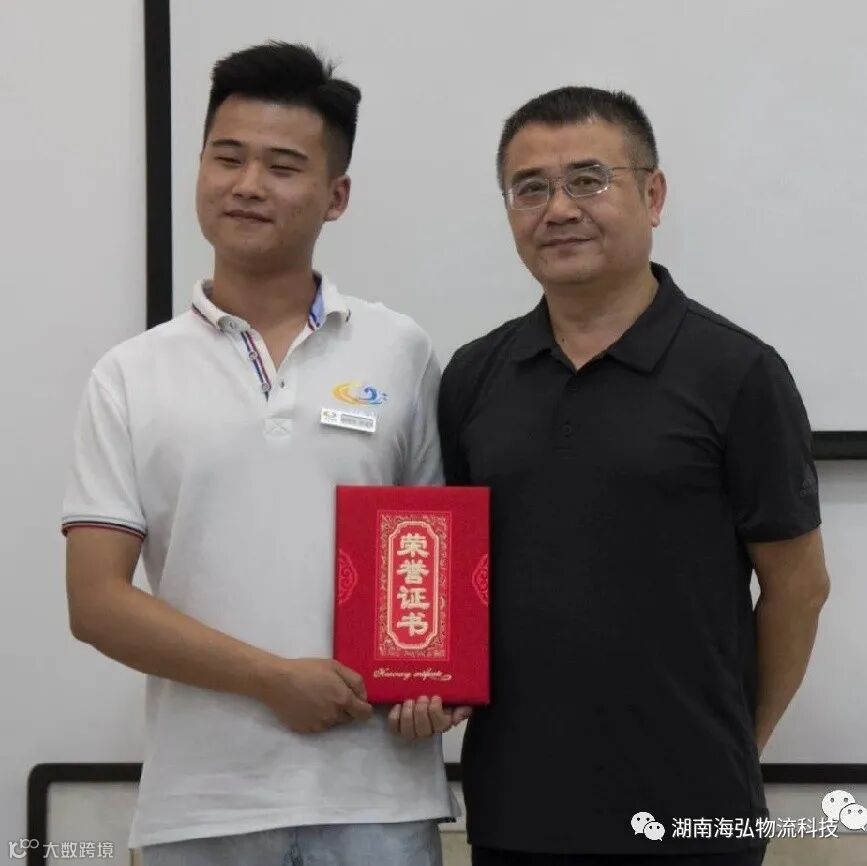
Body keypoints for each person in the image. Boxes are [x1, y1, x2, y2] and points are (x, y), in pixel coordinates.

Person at [62, 41, 464, 866]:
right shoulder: (129, 374)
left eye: (282, 166)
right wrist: (272, 679)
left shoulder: (400, 350)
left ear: (335, 196)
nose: (247, 185)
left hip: (376, 800)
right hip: (201, 808)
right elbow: (95, 602)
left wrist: (433, 685)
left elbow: (431, 571)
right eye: (227, 157)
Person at [434, 87, 831, 865]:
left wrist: (732, 742)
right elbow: (452, 579)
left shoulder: (738, 372)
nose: (557, 209)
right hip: (515, 810)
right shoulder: (473, 376)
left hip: (692, 811)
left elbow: (798, 587)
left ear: (651, 195)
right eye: (529, 188)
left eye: (587, 180)